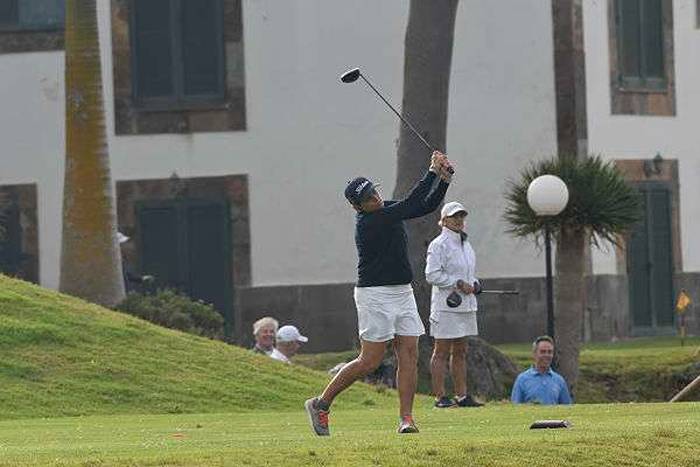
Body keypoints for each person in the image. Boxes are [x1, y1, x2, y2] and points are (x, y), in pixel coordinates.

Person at [305, 150, 453, 436]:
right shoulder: (371, 221)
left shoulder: (383, 209)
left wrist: (444, 179)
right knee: (369, 360)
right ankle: (321, 403)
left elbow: (422, 207)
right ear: (357, 207)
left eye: (375, 193)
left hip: (402, 291)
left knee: (409, 354)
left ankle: (406, 419)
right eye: (369, 199)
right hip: (374, 295)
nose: (376, 199)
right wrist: (432, 171)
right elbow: (411, 202)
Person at [425, 201, 483, 408]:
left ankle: (462, 395)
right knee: (441, 351)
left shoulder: (466, 244)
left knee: (461, 351)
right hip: (445, 306)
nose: (459, 220)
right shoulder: (438, 244)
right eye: (454, 216)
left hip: (466, 305)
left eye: (461, 216)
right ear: (444, 220)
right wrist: (456, 283)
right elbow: (431, 275)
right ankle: (440, 397)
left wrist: (475, 284)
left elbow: (469, 273)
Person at [511, 336, 572, 405]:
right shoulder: (522, 380)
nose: (546, 355)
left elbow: (567, 409)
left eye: (550, 352)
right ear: (534, 354)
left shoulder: (559, 381)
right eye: (543, 352)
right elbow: (515, 408)